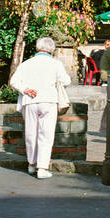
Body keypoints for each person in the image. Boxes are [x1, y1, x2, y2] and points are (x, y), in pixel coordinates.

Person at [9, 37, 71, 179]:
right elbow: (66, 81)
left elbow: (14, 81)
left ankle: (31, 164)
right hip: (49, 100)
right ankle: (42, 167)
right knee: (46, 135)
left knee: (31, 133)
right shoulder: (56, 64)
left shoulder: (26, 64)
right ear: (52, 50)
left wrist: (25, 89)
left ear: (37, 49)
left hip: (30, 100)